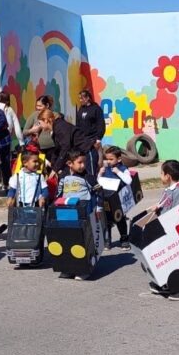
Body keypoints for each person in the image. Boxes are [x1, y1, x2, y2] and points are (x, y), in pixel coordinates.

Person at [148, 160, 179, 301]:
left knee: (177, 262)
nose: (160, 175)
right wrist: (157, 207)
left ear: (168, 176)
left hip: (175, 233)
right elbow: (165, 205)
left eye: (161, 173)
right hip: (166, 230)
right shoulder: (169, 190)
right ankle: (168, 283)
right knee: (168, 261)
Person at [55, 151, 100, 280]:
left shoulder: (88, 177)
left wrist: (99, 208)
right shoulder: (63, 178)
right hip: (66, 214)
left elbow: (99, 193)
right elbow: (59, 195)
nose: (83, 165)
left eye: (84, 162)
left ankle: (84, 269)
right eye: (79, 162)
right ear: (70, 163)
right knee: (67, 241)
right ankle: (68, 269)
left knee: (83, 241)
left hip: (83, 215)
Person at [37, 109, 93, 177]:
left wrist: (55, 169)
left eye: (40, 123)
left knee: (90, 178)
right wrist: (54, 165)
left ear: (46, 120)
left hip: (87, 151)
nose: (39, 126)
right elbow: (58, 150)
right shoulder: (55, 129)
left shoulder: (60, 127)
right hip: (79, 154)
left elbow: (65, 148)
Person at [100, 146, 132, 249]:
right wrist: (100, 174)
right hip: (107, 199)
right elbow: (98, 182)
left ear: (119, 159)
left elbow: (129, 181)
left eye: (111, 159)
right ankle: (107, 240)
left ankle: (124, 239)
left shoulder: (123, 168)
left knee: (120, 219)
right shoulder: (105, 169)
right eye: (107, 159)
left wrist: (118, 172)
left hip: (119, 199)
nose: (108, 161)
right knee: (107, 220)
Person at [75, 90, 106, 176]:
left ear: (88, 98)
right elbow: (78, 124)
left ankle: (93, 180)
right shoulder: (81, 109)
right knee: (84, 162)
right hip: (83, 140)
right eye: (79, 98)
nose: (80, 100)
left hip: (93, 139)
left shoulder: (96, 109)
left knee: (94, 163)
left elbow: (101, 124)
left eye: (82, 98)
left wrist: (98, 138)